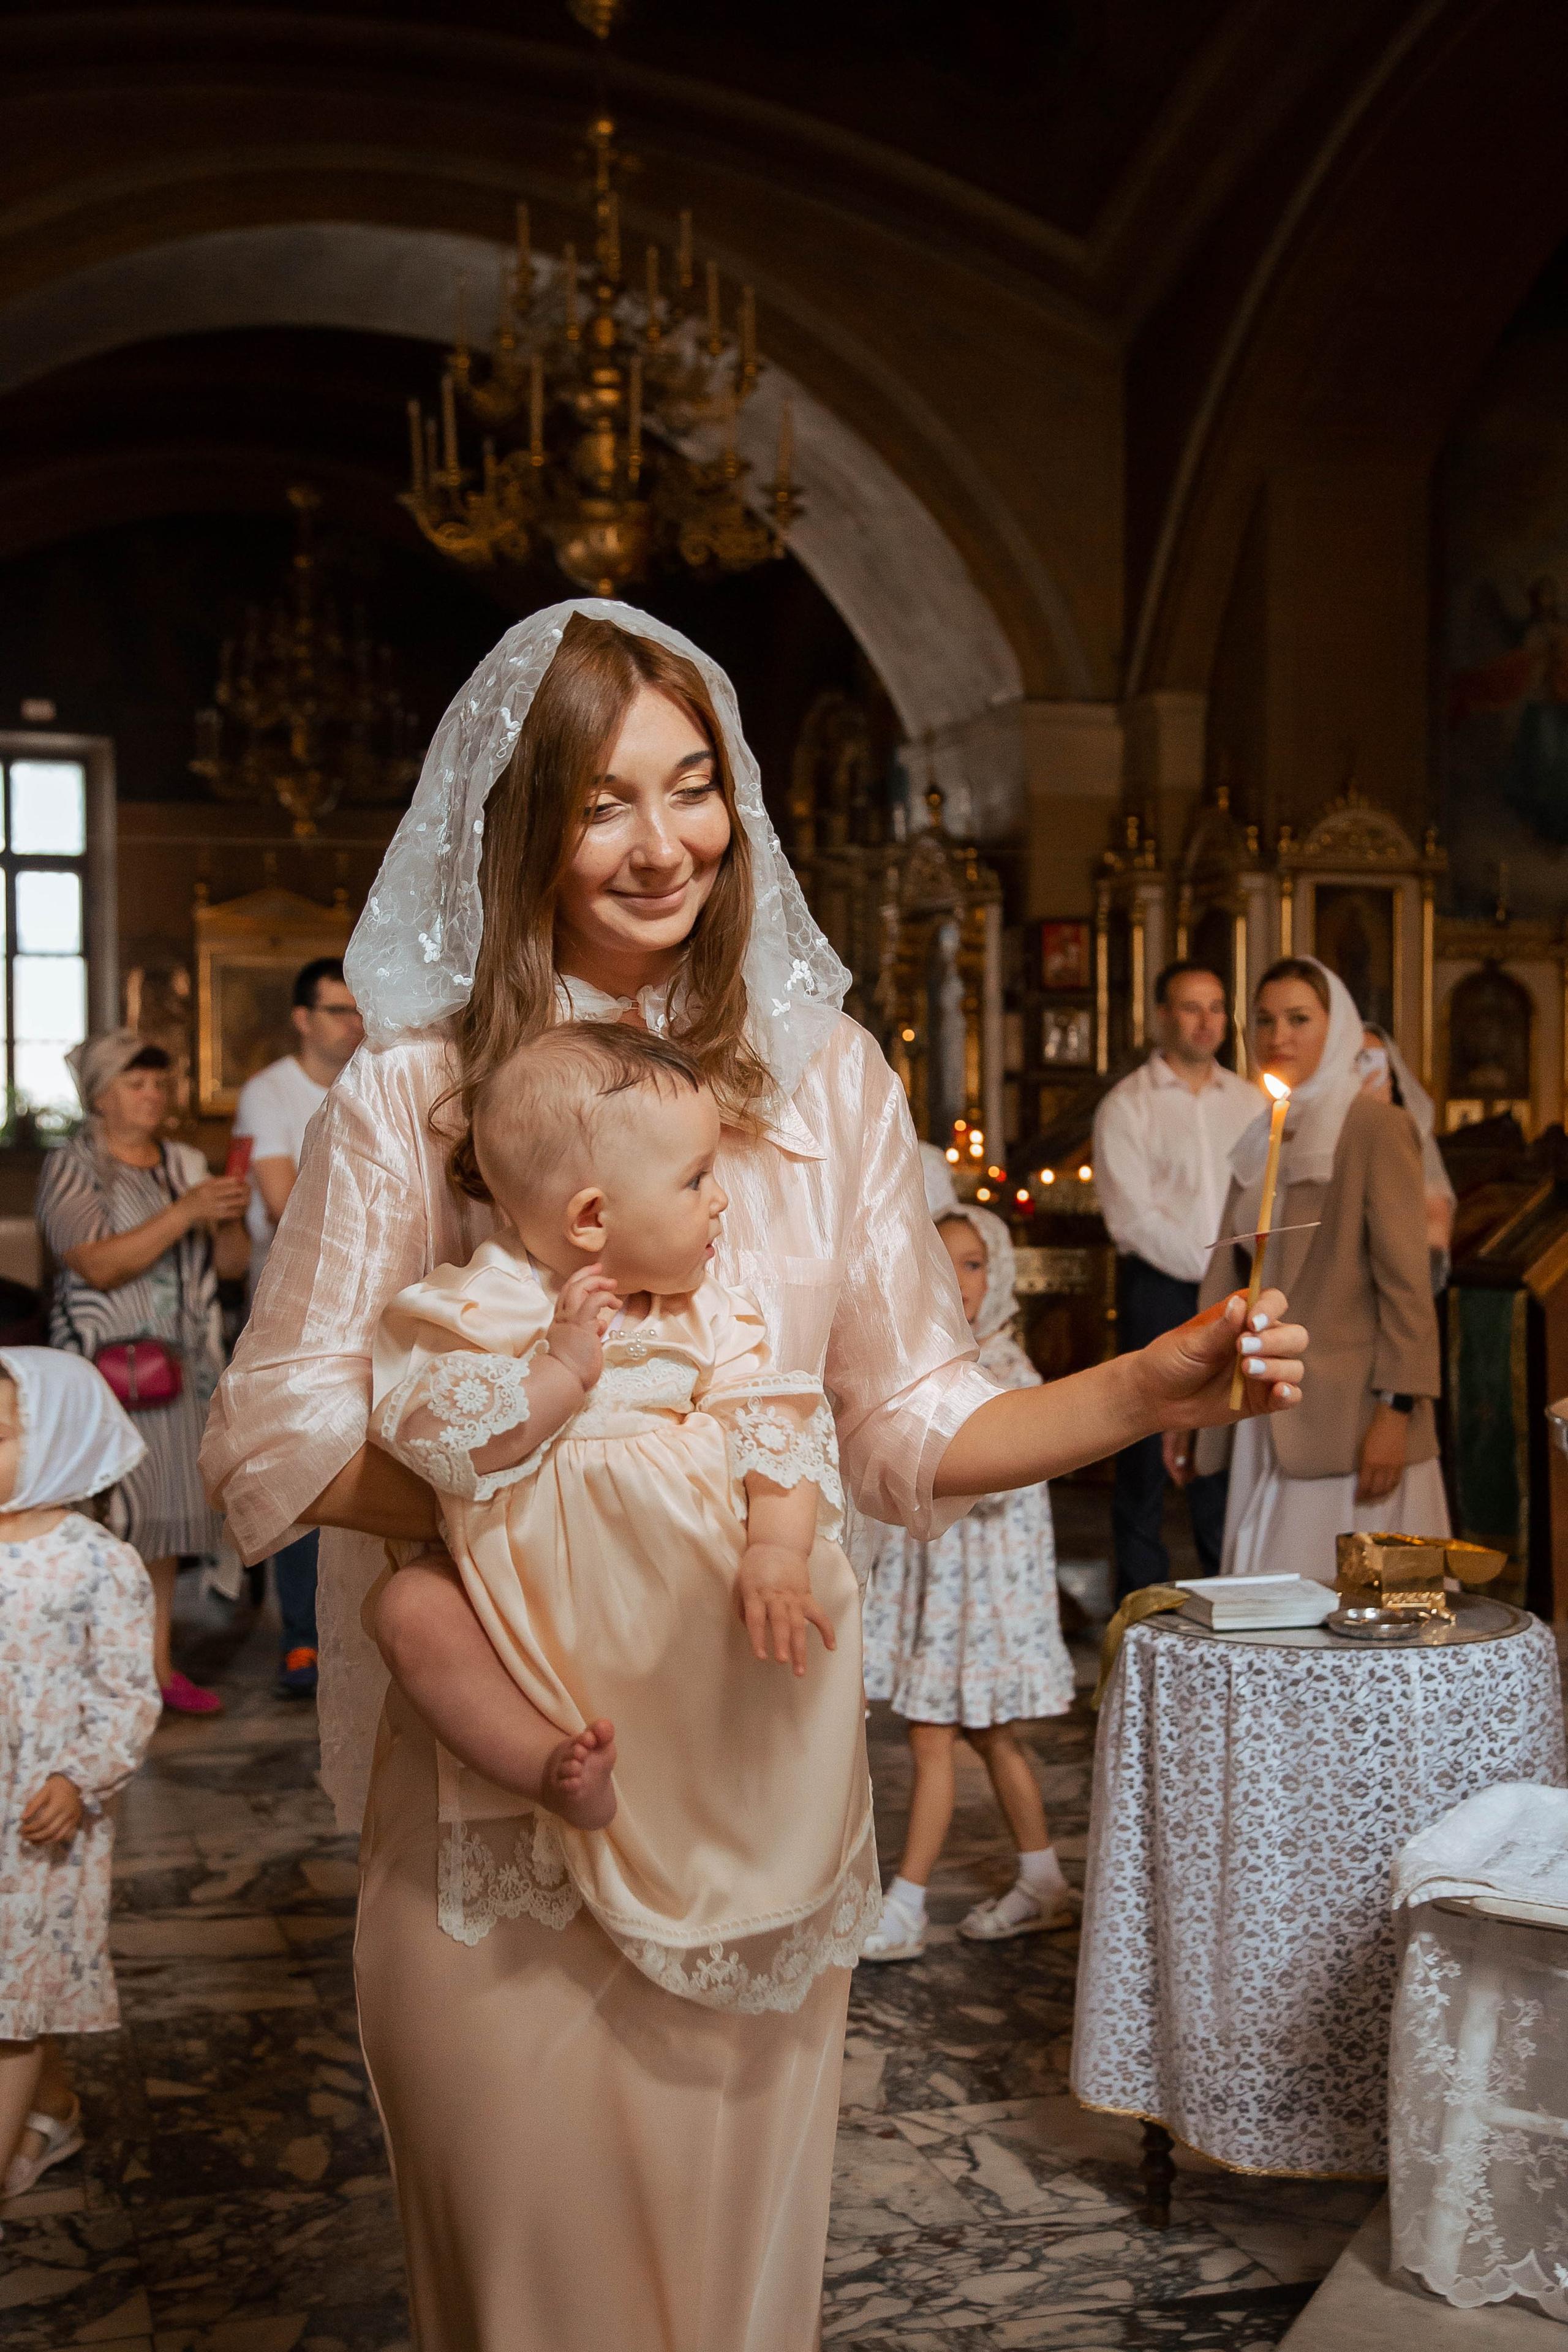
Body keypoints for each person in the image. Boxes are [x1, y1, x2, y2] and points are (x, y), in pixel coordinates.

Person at [200, 601, 1306, 2352]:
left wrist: (1148, 1381)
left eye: (695, 789)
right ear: (526, 830)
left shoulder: (835, 1087)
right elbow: (268, 1437)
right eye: (604, 804)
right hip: (514, 1819)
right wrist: (567, 1498)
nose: (665, 845)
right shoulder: (425, 1092)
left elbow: (912, 1427)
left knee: (724, 2308)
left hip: (761, 1783)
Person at [369, 1020, 871, 1975]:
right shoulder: (491, 1306)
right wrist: (561, 1370)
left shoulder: (707, 1311)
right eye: (696, 1180)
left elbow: (779, 1422)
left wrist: (776, 1548)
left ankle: (734, 1814)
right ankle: (545, 1767)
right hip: (535, 1606)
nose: (722, 1202)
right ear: (592, 1218)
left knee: (794, 1604)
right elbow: (443, 1439)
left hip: (688, 1601)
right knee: (407, 1608)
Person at [861, 1200, 1075, 1962]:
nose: (959, 1278)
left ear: (1000, 1274)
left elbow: (1001, 1476)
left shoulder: (1006, 1368)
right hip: (943, 1588)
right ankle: (1044, 1880)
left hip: (981, 1594)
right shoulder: (934, 1362)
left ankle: (907, 1905)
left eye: (974, 1263)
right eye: (943, 1261)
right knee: (990, 1737)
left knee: (931, 1736)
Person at [1189, 954, 1446, 1582]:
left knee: (1358, 1610)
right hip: (1262, 1409)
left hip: (1352, 1419)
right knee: (1264, 1599)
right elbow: (1229, 1272)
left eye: (1298, 1019)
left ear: (1334, 1029)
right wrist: (1192, 1398)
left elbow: (1407, 1289)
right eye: (1265, 1020)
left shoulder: (1375, 1128)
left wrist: (1397, 1412)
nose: (1279, 1037)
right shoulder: (1263, 1133)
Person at [37, 1035, 249, 1715]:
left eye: (160, 1083)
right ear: (99, 1096)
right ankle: (98, 1675)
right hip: (104, 1376)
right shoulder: (73, 1167)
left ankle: (155, 1670)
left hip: (179, 1369)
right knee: (106, 1523)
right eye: (136, 1084)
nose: (153, 1095)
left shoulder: (183, 1164)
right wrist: (185, 1213)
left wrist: (228, 1221)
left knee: (160, 1527)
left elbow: (231, 1270)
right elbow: (94, 1263)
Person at [0, 1348, 160, 2206]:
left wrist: (81, 1776)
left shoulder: (96, 1562)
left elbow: (128, 1691)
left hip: (38, 1819)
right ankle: (54, 2109)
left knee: (10, 2005)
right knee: (7, 1984)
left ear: (58, 1441)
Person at [1092, 961, 1261, 1594]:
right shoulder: (1127, 1106)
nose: (1206, 1020)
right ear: (1162, 1016)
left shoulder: (1250, 1102)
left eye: (1216, 1007)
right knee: (1142, 1451)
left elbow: (1259, 1200)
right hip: (1159, 1288)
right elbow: (1133, 1217)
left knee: (1223, 1443)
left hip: (1237, 1290)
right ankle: (1139, 1603)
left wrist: (1234, 1275)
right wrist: (1211, 1268)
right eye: (1191, 1007)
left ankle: (1231, 1593)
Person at [232, 957, 365, 1698]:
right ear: (302, 1017)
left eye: (359, 1010)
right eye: (338, 1010)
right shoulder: (269, 1091)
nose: (355, 1024)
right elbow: (285, 1204)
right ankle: (301, 1639)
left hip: (368, 1307)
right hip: (294, 1314)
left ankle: (355, 1628)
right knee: (300, 1466)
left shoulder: (373, 1082)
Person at [1357, 1023, 1457, 1289]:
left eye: (1371, 1059)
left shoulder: (1410, 1130)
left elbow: (1436, 1223)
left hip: (1400, 1278)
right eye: (1355, 1059)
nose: (1364, 1069)